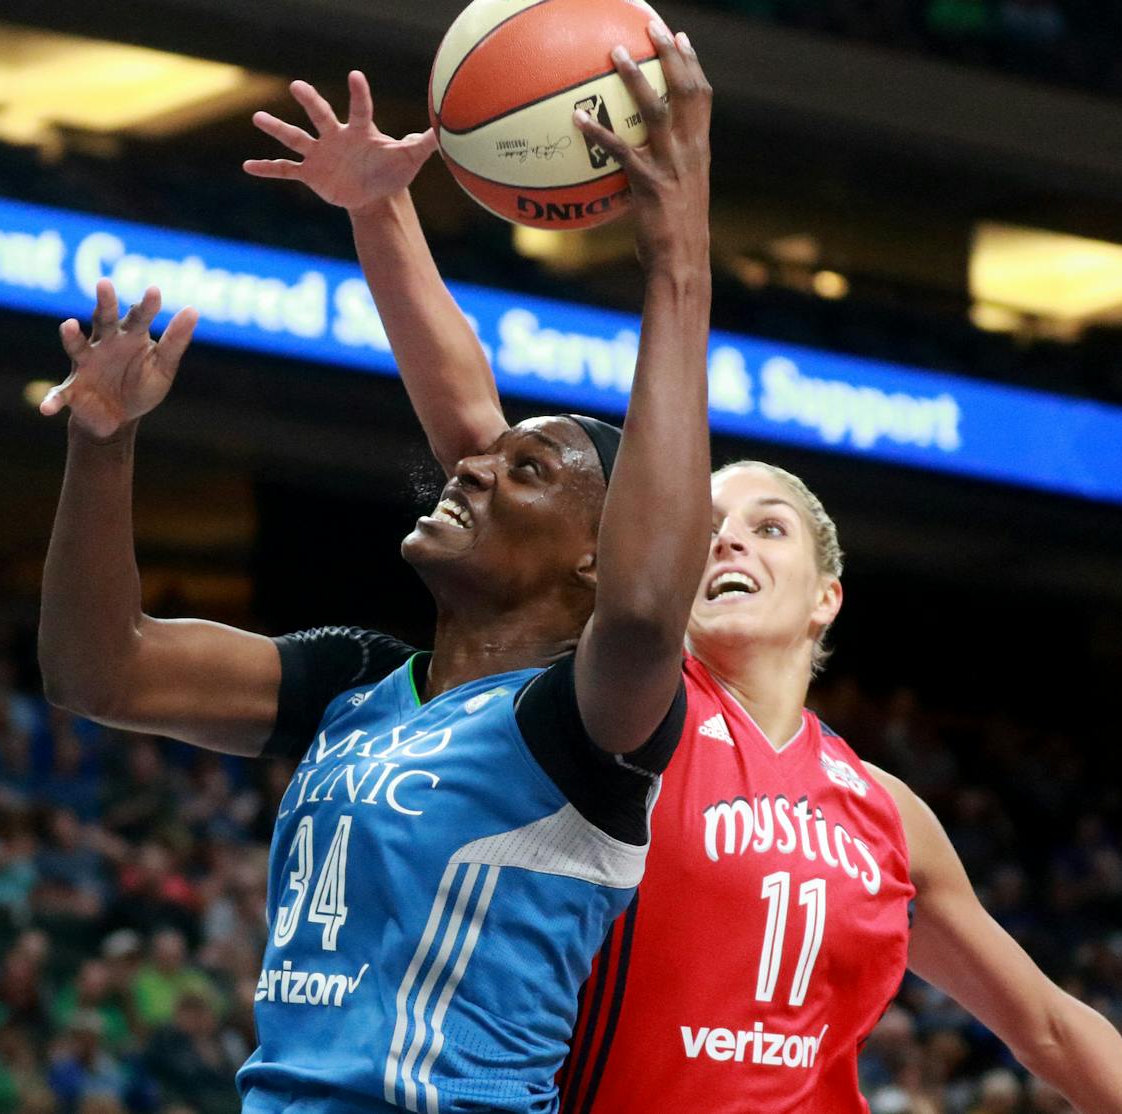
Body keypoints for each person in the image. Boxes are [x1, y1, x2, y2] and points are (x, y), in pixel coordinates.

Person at [248, 44, 1122, 1114]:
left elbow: (1051, 1025)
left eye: (767, 526)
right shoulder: (606, 711)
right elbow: (475, 428)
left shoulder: (884, 813)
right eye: (708, 522)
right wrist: (382, 216)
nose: (724, 542)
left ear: (827, 593)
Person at [37, 19, 713, 1114]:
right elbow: (96, 672)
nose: (472, 470)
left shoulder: (581, 723)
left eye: (526, 469)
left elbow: (643, 603)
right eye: (480, 459)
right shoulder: (354, 687)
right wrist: (101, 447)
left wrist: (676, 250)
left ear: (594, 554)